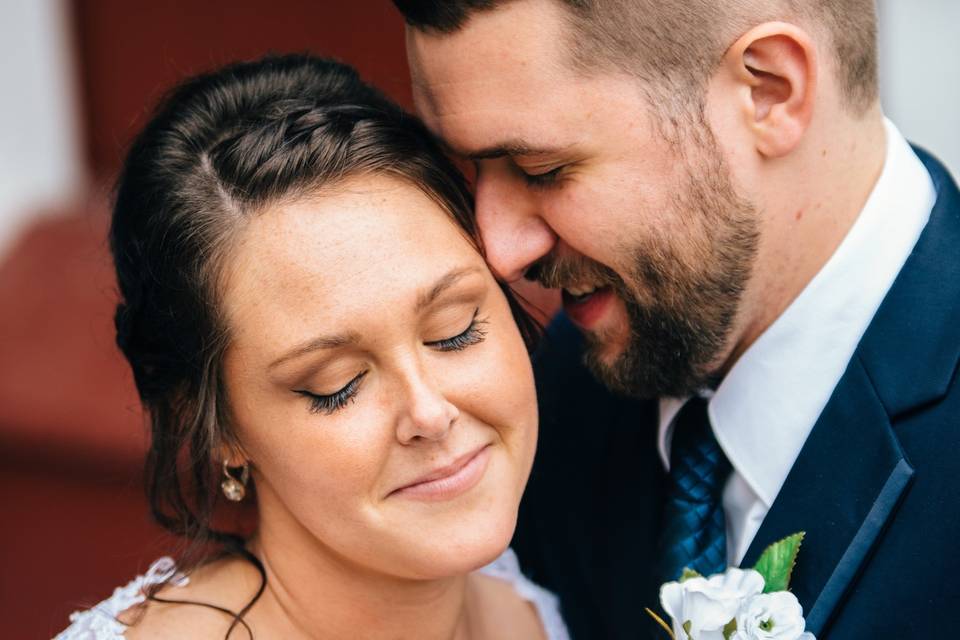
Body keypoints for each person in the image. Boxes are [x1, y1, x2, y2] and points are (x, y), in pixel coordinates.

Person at [395, 0, 960, 637]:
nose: (499, 251)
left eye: (541, 170)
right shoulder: (544, 402)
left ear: (770, 91)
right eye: (471, 170)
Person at [56, 54, 571, 640]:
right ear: (217, 425)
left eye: (452, 330)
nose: (429, 412)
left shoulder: (534, 611)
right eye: (336, 385)